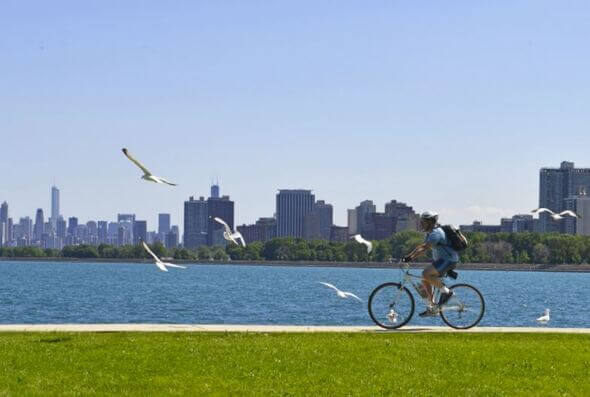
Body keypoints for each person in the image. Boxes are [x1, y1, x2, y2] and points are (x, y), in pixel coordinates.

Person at [403, 211, 459, 317]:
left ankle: (447, 292)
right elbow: (421, 246)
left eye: (423, 222)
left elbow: (425, 248)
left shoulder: (436, 233)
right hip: (442, 260)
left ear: (430, 222)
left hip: (448, 260)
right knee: (425, 279)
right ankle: (432, 306)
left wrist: (411, 257)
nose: (421, 224)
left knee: (426, 273)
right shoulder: (431, 233)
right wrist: (408, 256)